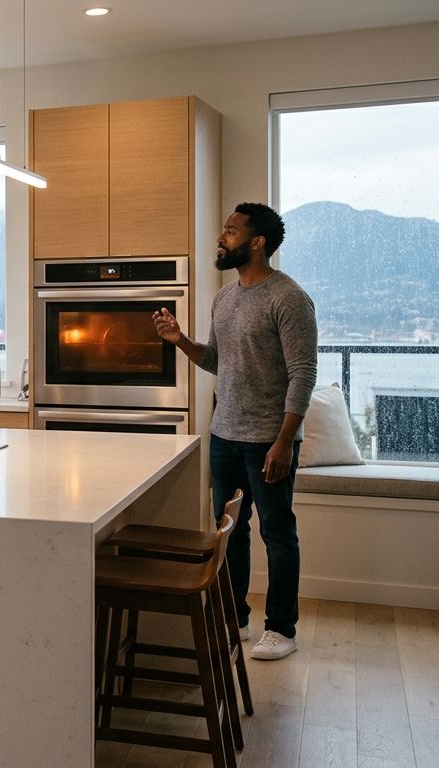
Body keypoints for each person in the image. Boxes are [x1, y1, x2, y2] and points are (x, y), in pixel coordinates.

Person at [153, 202, 317, 661]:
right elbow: (217, 362)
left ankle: (282, 628)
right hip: (224, 435)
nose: (221, 238)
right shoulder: (224, 298)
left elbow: (303, 373)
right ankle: (235, 619)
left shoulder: (288, 298)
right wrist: (180, 340)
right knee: (231, 532)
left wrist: (285, 441)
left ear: (257, 241)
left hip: (270, 440)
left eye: (231, 230)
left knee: (278, 534)